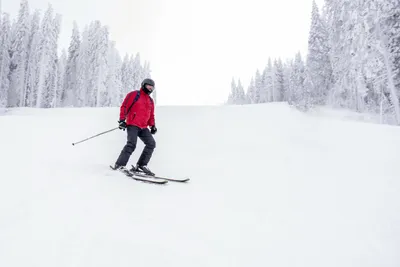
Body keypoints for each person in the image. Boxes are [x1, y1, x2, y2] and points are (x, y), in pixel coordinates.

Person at [113, 78, 157, 176]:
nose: (150, 88)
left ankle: (141, 165)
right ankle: (120, 164)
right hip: (132, 124)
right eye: (148, 85)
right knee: (131, 144)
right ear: (143, 85)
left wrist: (153, 126)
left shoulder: (150, 100)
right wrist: (121, 120)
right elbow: (124, 106)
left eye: (151, 87)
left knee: (151, 144)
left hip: (143, 127)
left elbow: (151, 114)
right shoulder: (134, 95)